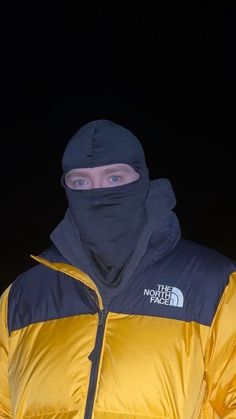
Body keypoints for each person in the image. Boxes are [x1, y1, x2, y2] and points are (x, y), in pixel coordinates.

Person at [0, 119, 235, 419]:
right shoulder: (22, 297)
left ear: (141, 179)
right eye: (81, 182)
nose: (97, 194)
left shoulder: (213, 284)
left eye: (113, 178)